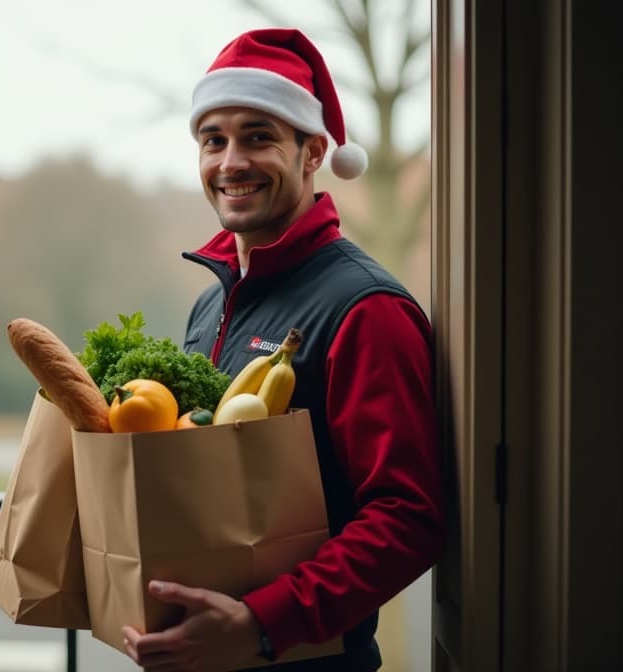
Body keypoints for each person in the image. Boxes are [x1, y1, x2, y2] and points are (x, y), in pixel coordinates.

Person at [121, 28, 444, 671]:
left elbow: (408, 517)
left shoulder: (366, 309)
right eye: (213, 140)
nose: (230, 162)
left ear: (313, 151)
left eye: (259, 136)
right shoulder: (211, 304)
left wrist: (264, 623)